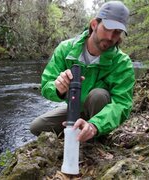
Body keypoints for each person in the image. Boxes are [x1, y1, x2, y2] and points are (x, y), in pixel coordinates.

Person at [30, 1, 135, 142]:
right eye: (107, 29)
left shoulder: (122, 63)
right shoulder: (65, 49)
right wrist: (58, 89)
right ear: (94, 25)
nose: (110, 37)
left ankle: (96, 137)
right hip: (75, 109)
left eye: (117, 32)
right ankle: (77, 129)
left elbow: (122, 104)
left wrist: (95, 125)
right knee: (37, 127)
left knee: (99, 95)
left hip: (100, 114)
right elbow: (46, 85)